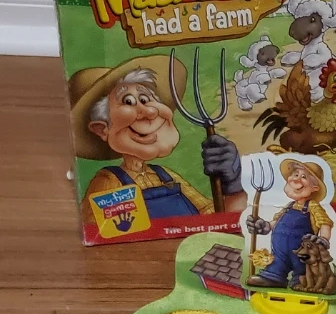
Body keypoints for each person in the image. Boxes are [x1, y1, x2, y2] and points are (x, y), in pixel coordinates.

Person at [70, 58, 244, 224]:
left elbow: (210, 216)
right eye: (128, 101)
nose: (150, 112)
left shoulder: (165, 176)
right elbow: (103, 232)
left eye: (145, 99)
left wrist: (233, 187)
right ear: (101, 129)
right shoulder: (109, 183)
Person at [246, 159, 332, 289]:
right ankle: (274, 277)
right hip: (279, 252)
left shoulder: (312, 206)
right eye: (295, 175)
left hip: (301, 252)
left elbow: (325, 223)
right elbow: (276, 222)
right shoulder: (289, 206)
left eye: (304, 177)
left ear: (314, 187)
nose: (297, 179)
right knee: (276, 264)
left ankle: (302, 280)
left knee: (302, 269)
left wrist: (323, 239)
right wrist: (263, 226)